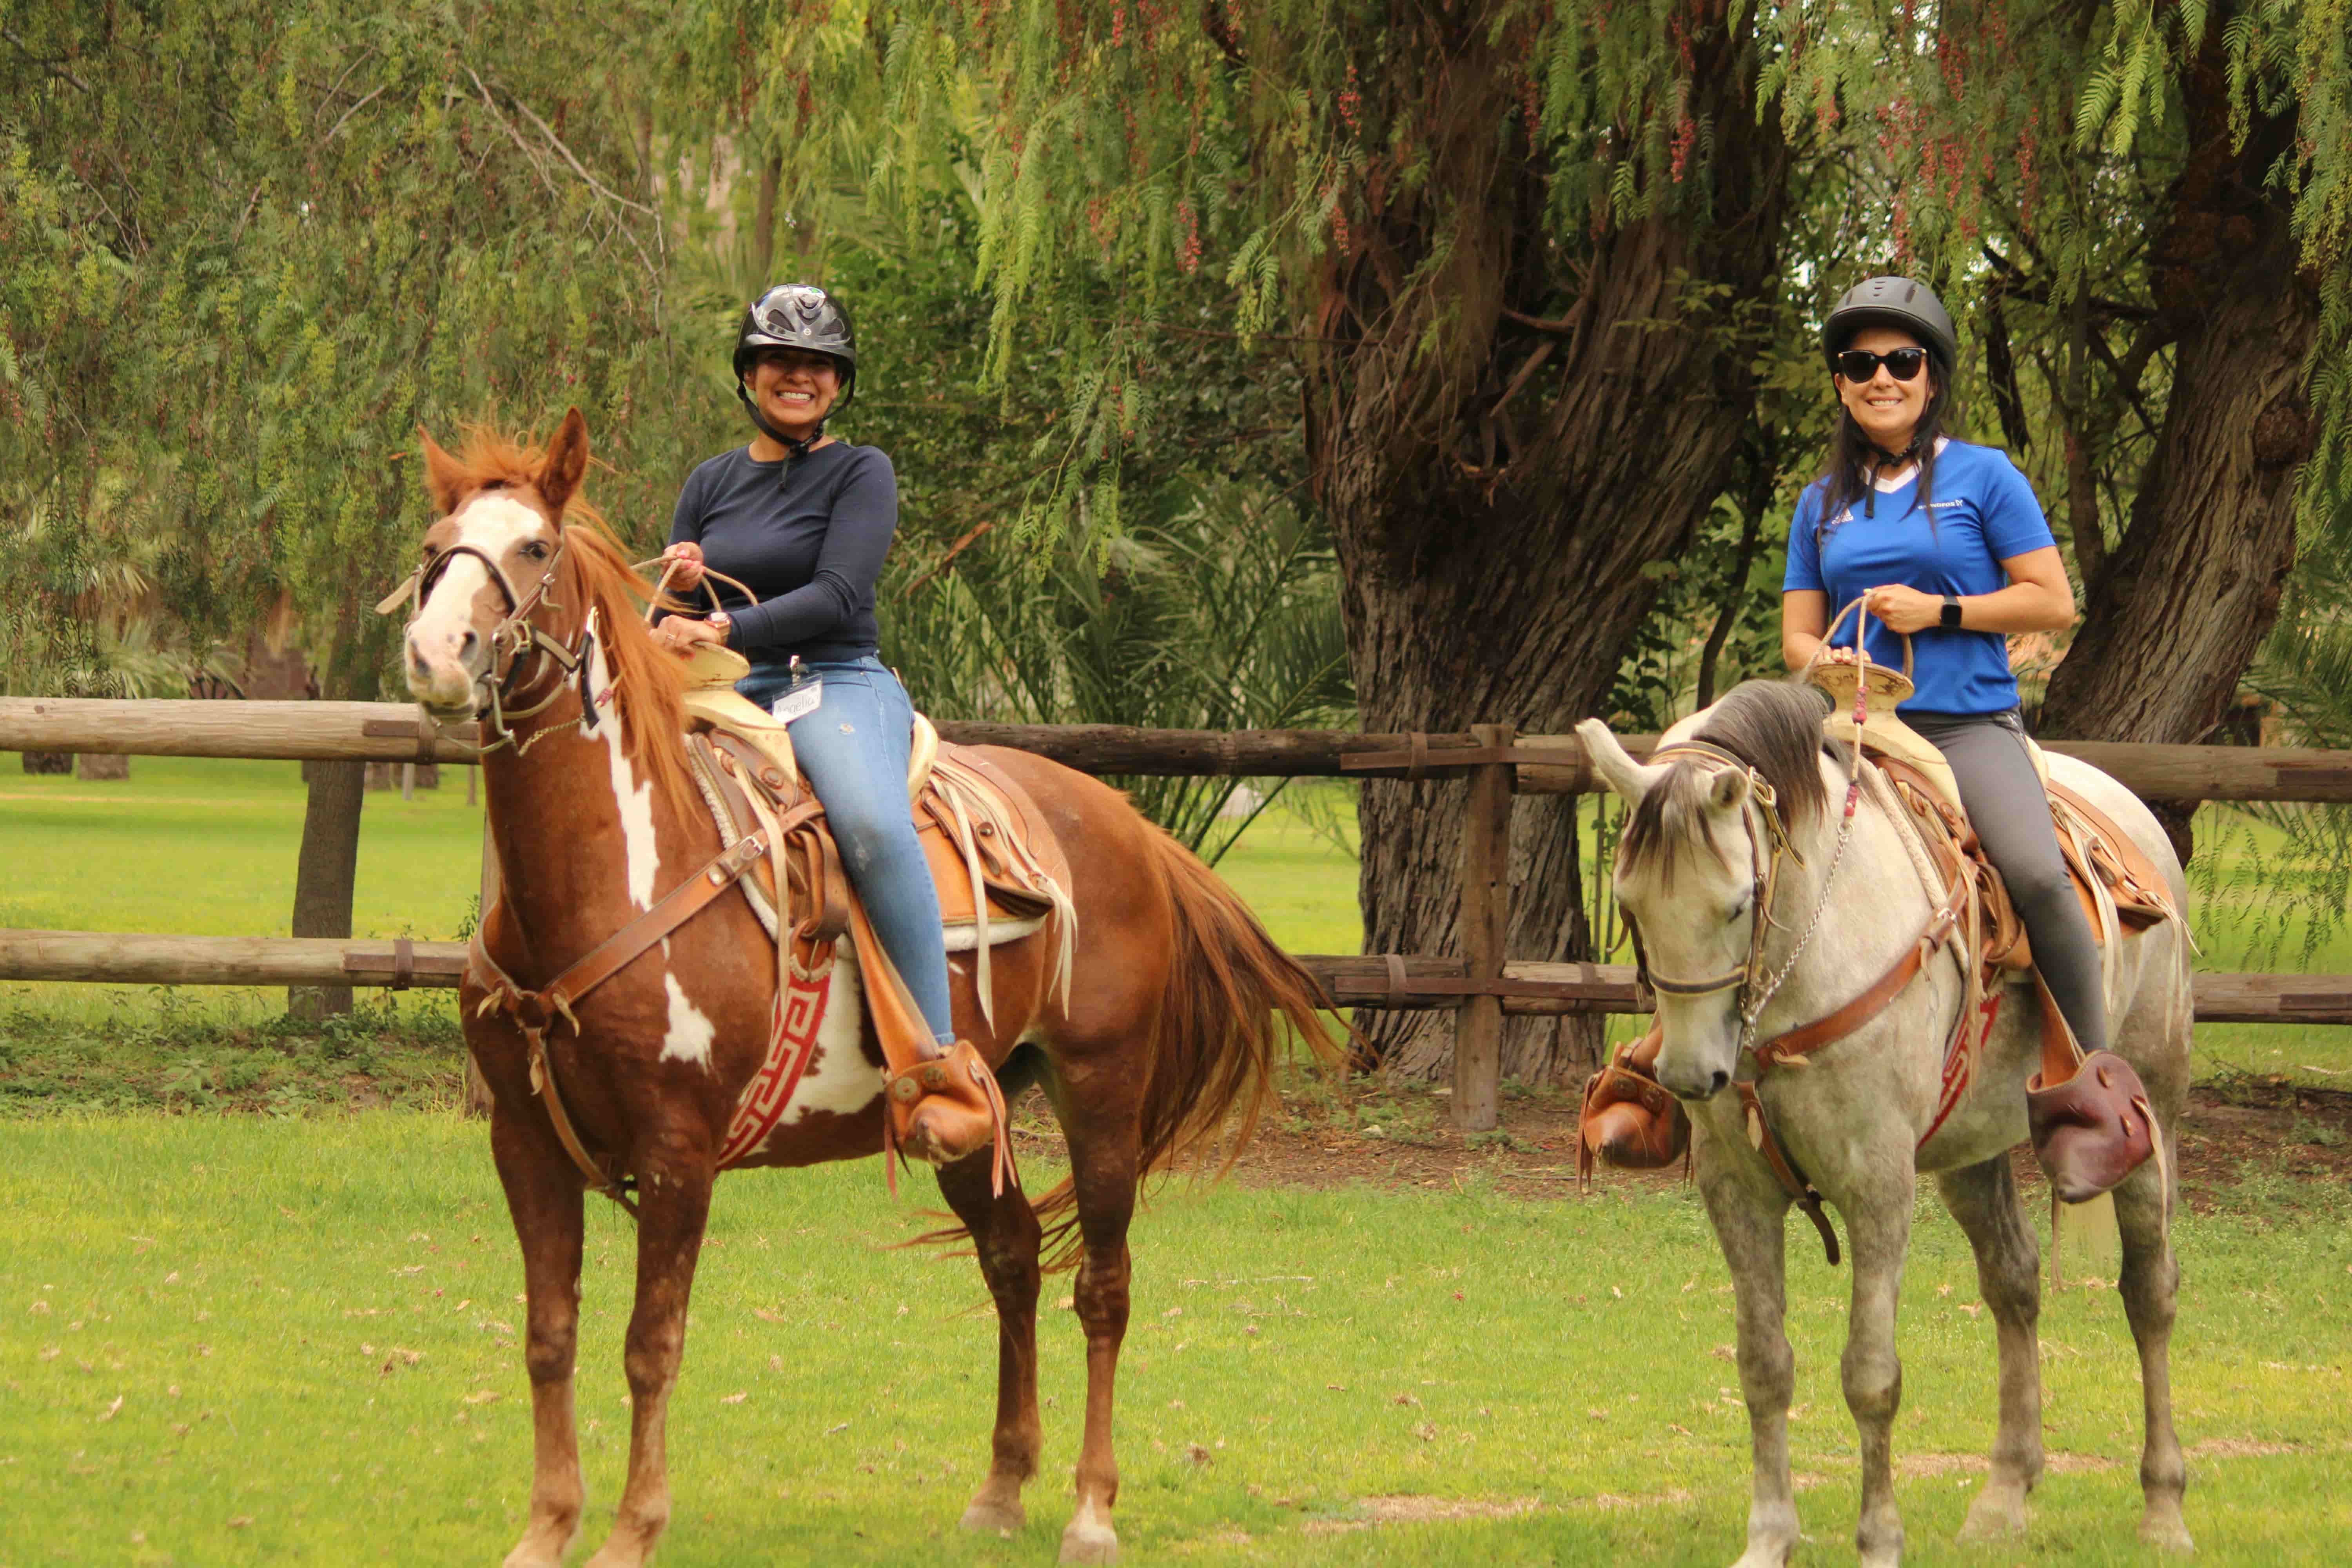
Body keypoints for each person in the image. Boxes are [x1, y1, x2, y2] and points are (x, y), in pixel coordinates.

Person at [1780, 275, 2107, 1056]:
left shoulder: (1985, 477)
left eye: (1901, 359)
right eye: (1860, 366)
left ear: (1932, 376)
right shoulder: (1820, 502)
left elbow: (2052, 602)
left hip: (1964, 726)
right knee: (1739, 853)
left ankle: (2096, 1071)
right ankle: (1698, 1063)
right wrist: (1834, 655)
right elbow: (1798, 638)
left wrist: (1942, 612)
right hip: (1853, 730)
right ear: (1841, 384)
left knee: (2033, 873)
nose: (1882, 378)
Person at [652, 283, 962, 1063]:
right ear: (750, 376)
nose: (800, 376)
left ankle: (936, 1054)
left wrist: (719, 622)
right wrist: (682, 593)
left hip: (834, 678)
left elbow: (839, 593)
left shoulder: (863, 471)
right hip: (721, 686)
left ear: (839, 381)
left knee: (870, 822)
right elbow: (672, 614)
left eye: (819, 364)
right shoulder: (708, 481)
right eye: (780, 360)